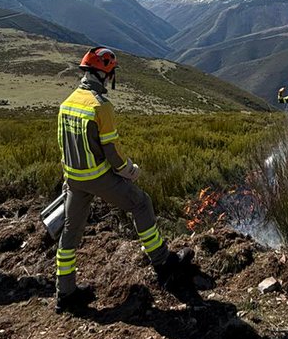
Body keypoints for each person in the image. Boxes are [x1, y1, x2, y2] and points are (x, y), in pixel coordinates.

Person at [55, 47, 193, 314]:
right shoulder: (100, 106)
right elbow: (112, 153)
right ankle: (164, 264)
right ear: (105, 74)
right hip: (97, 177)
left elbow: (63, 145)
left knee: (70, 233)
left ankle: (65, 293)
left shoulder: (67, 102)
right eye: (111, 73)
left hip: (73, 178)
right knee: (142, 203)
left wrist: (67, 179)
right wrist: (130, 171)